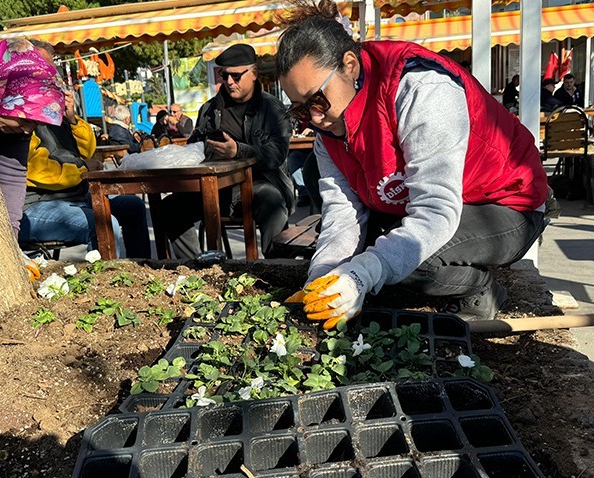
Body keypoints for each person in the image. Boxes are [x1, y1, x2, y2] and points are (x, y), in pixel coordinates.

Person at [277, 0, 548, 326]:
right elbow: (343, 215)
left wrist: (363, 273)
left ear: (349, 65)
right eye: (300, 109)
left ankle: (480, 290)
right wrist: (320, 280)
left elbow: (435, 213)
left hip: (504, 204)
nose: (314, 118)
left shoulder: (421, 90)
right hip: (430, 206)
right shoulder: (329, 133)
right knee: (383, 256)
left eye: (317, 99)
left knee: (409, 262)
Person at [155, 43, 294, 258]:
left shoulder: (273, 109)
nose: (229, 82)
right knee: (169, 208)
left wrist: (238, 150)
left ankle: (277, 270)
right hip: (214, 189)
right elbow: (194, 146)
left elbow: (276, 155)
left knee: (273, 203)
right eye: (224, 75)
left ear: (254, 73)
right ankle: (197, 268)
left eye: (236, 76)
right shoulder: (209, 110)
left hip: (259, 184)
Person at [18, 42, 152, 259]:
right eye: (44, 68)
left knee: (133, 206)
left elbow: (88, 150)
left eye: (52, 69)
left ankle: (142, 270)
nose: (51, 75)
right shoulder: (21, 112)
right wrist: (83, 170)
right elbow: (37, 169)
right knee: (105, 223)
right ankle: (109, 284)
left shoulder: (54, 109)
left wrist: (71, 118)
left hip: (75, 197)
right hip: (37, 205)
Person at [0, 27, 65, 279]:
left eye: (35, 124)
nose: (28, 132)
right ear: (6, 97)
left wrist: (10, 245)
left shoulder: (15, 120)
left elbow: (11, 176)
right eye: (26, 121)